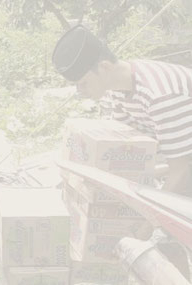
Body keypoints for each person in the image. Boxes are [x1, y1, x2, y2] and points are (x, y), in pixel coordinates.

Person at [52, 25, 192, 197]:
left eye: (84, 83)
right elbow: (125, 148)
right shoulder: (118, 88)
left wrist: (151, 220)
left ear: (104, 67)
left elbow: (182, 170)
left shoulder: (161, 96)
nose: (80, 91)